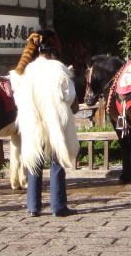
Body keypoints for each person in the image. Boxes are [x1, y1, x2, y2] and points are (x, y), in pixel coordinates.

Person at [11, 38, 80, 218]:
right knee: (57, 161)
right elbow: (69, 95)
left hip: (33, 119)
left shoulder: (27, 71)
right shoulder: (59, 69)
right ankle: (58, 206)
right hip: (55, 118)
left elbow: (18, 98)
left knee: (35, 160)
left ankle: (33, 206)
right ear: (51, 54)